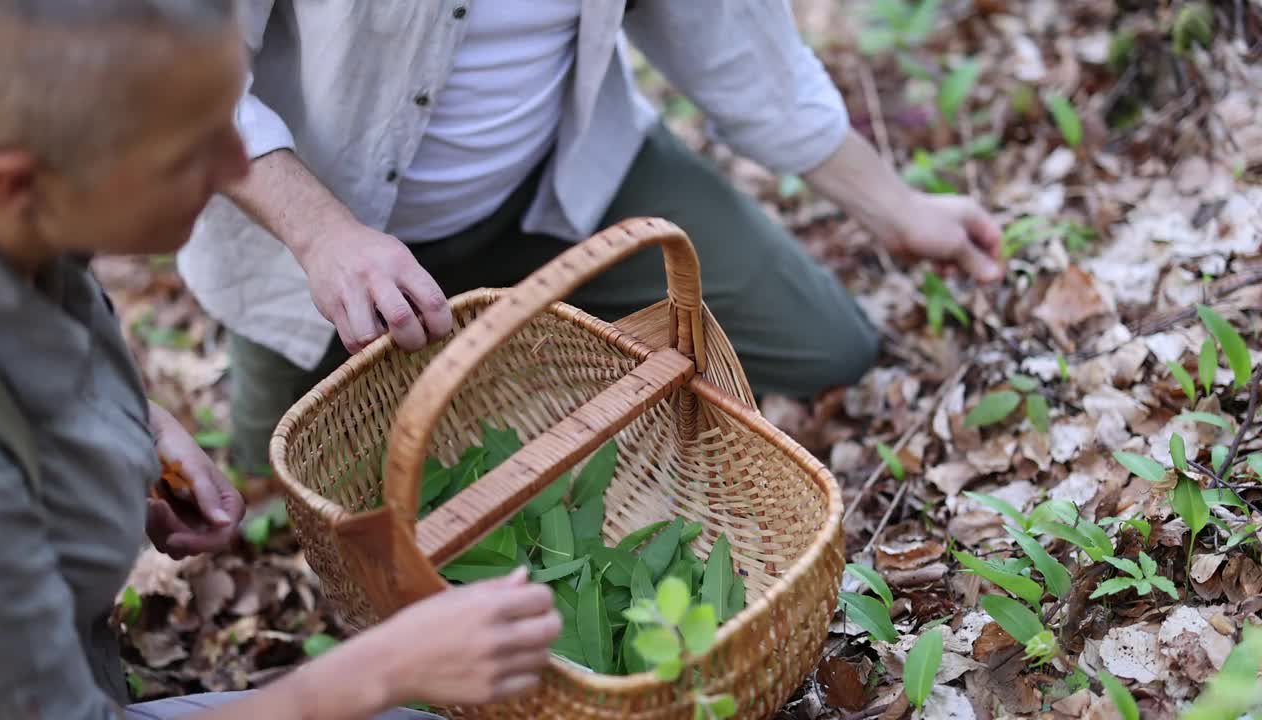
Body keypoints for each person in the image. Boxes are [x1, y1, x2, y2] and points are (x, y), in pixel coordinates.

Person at [0, 2, 561, 719]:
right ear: (16, 186)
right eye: (189, 150)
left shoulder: (31, 231)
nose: (238, 166)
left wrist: (138, 429)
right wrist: (381, 671)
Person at [176, 1, 1007, 475]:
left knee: (830, 345)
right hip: (318, 242)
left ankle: (531, 360)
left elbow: (741, 55)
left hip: (561, 183)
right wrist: (324, 237)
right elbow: (179, 70)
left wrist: (896, 208)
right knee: (279, 474)